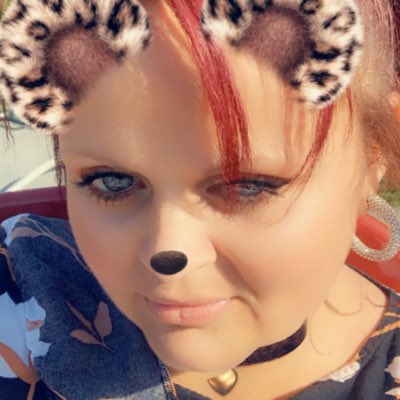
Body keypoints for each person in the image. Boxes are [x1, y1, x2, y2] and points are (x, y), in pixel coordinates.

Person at [0, 0, 400, 399]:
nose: (166, 250)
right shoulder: (20, 290)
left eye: (246, 186)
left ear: (373, 157)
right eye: (113, 181)